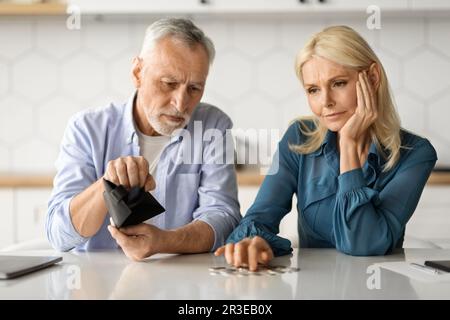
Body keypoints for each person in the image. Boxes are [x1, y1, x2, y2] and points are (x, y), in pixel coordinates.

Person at [215, 25, 437, 270]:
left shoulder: (415, 154)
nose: (325, 102)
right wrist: (252, 243)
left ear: (372, 78)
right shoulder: (299, 137)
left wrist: (349, 144)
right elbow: (258, 218)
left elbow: (363, 245)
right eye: (313, 90)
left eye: (339, 83)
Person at [46, 18, 241, 260]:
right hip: (97, 287)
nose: (181, 104)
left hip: (182, 282)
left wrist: (164, 241)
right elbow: (59, 235)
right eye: (169, 83)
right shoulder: (86, 128)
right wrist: (106, 185)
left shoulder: (213, 126)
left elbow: (225, 217)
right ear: (138, 72)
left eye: (194, 89)